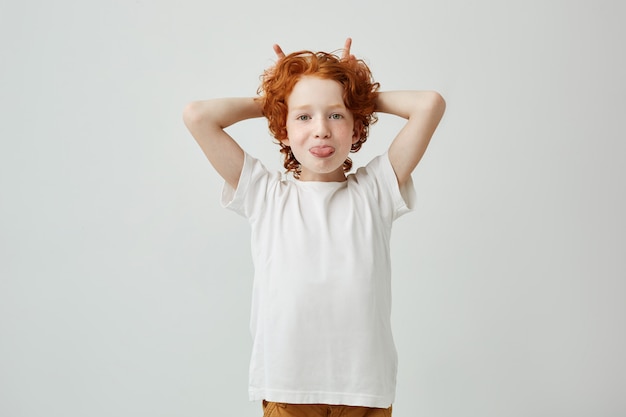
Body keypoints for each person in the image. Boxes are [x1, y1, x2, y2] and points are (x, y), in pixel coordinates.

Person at [183, 38, 445, 417]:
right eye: (303, 116)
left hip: (365, 394)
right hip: (289, 391)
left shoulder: (376, 191)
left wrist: (357, 93)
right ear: (283, 130)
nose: (321, 129)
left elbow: (429, 105)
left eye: (336, 115)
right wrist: (279, 95)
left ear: (356, 129)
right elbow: (197, 116)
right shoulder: (265, 193)